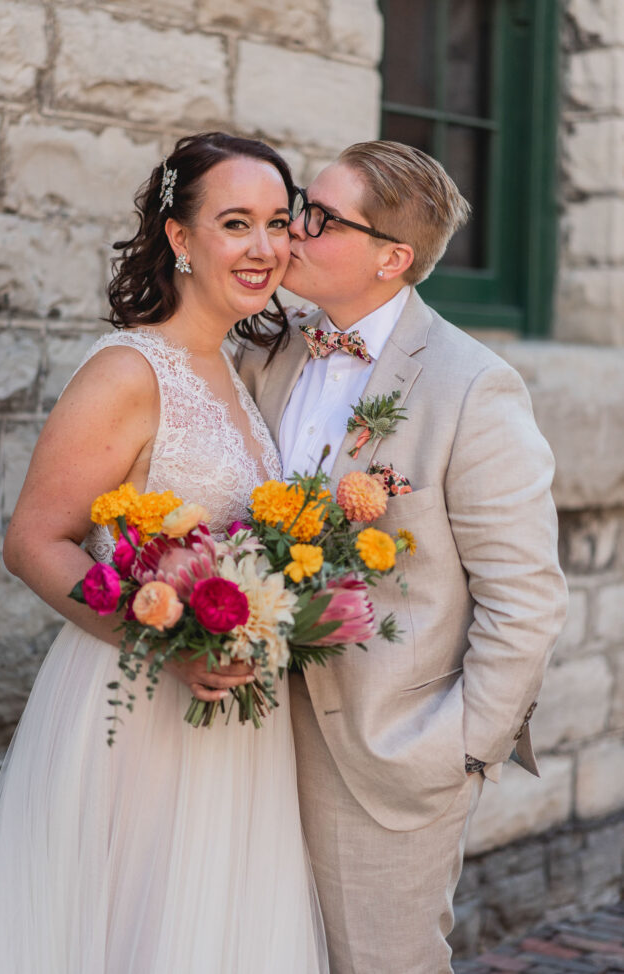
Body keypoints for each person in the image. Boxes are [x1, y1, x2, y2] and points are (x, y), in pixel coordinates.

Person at [0, 132, 328, 974]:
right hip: (136, 702)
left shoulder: (238, 367)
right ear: (179, 237)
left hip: (235, 726)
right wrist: (159, 640)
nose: (264, 248)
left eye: (279, 223)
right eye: (235, 223)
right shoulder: (130, 371)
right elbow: (32, 541)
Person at [236, 140, 568, 974]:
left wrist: (459, 751)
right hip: (247, 738)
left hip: (386, 759)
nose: (293, 230)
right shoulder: (266, 347)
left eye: (319, 218)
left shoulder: (472, 386)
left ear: (393, 258)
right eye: (299, 206)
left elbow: (524, 597)